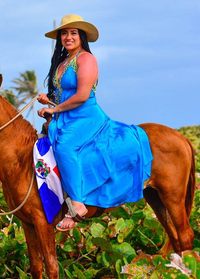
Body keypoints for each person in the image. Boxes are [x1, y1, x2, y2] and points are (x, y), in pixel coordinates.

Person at [37, 14, 153, 232]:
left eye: (73, 33)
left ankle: (78, 204)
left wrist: (54, 109)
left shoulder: (86, 59)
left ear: (81, 36)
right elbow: (64, 95)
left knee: (64, 147)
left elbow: (82, 96)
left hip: (86, 116)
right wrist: (49, 101)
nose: (68, 37)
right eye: (64, 33)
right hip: (66, 115)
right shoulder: (63, 63)